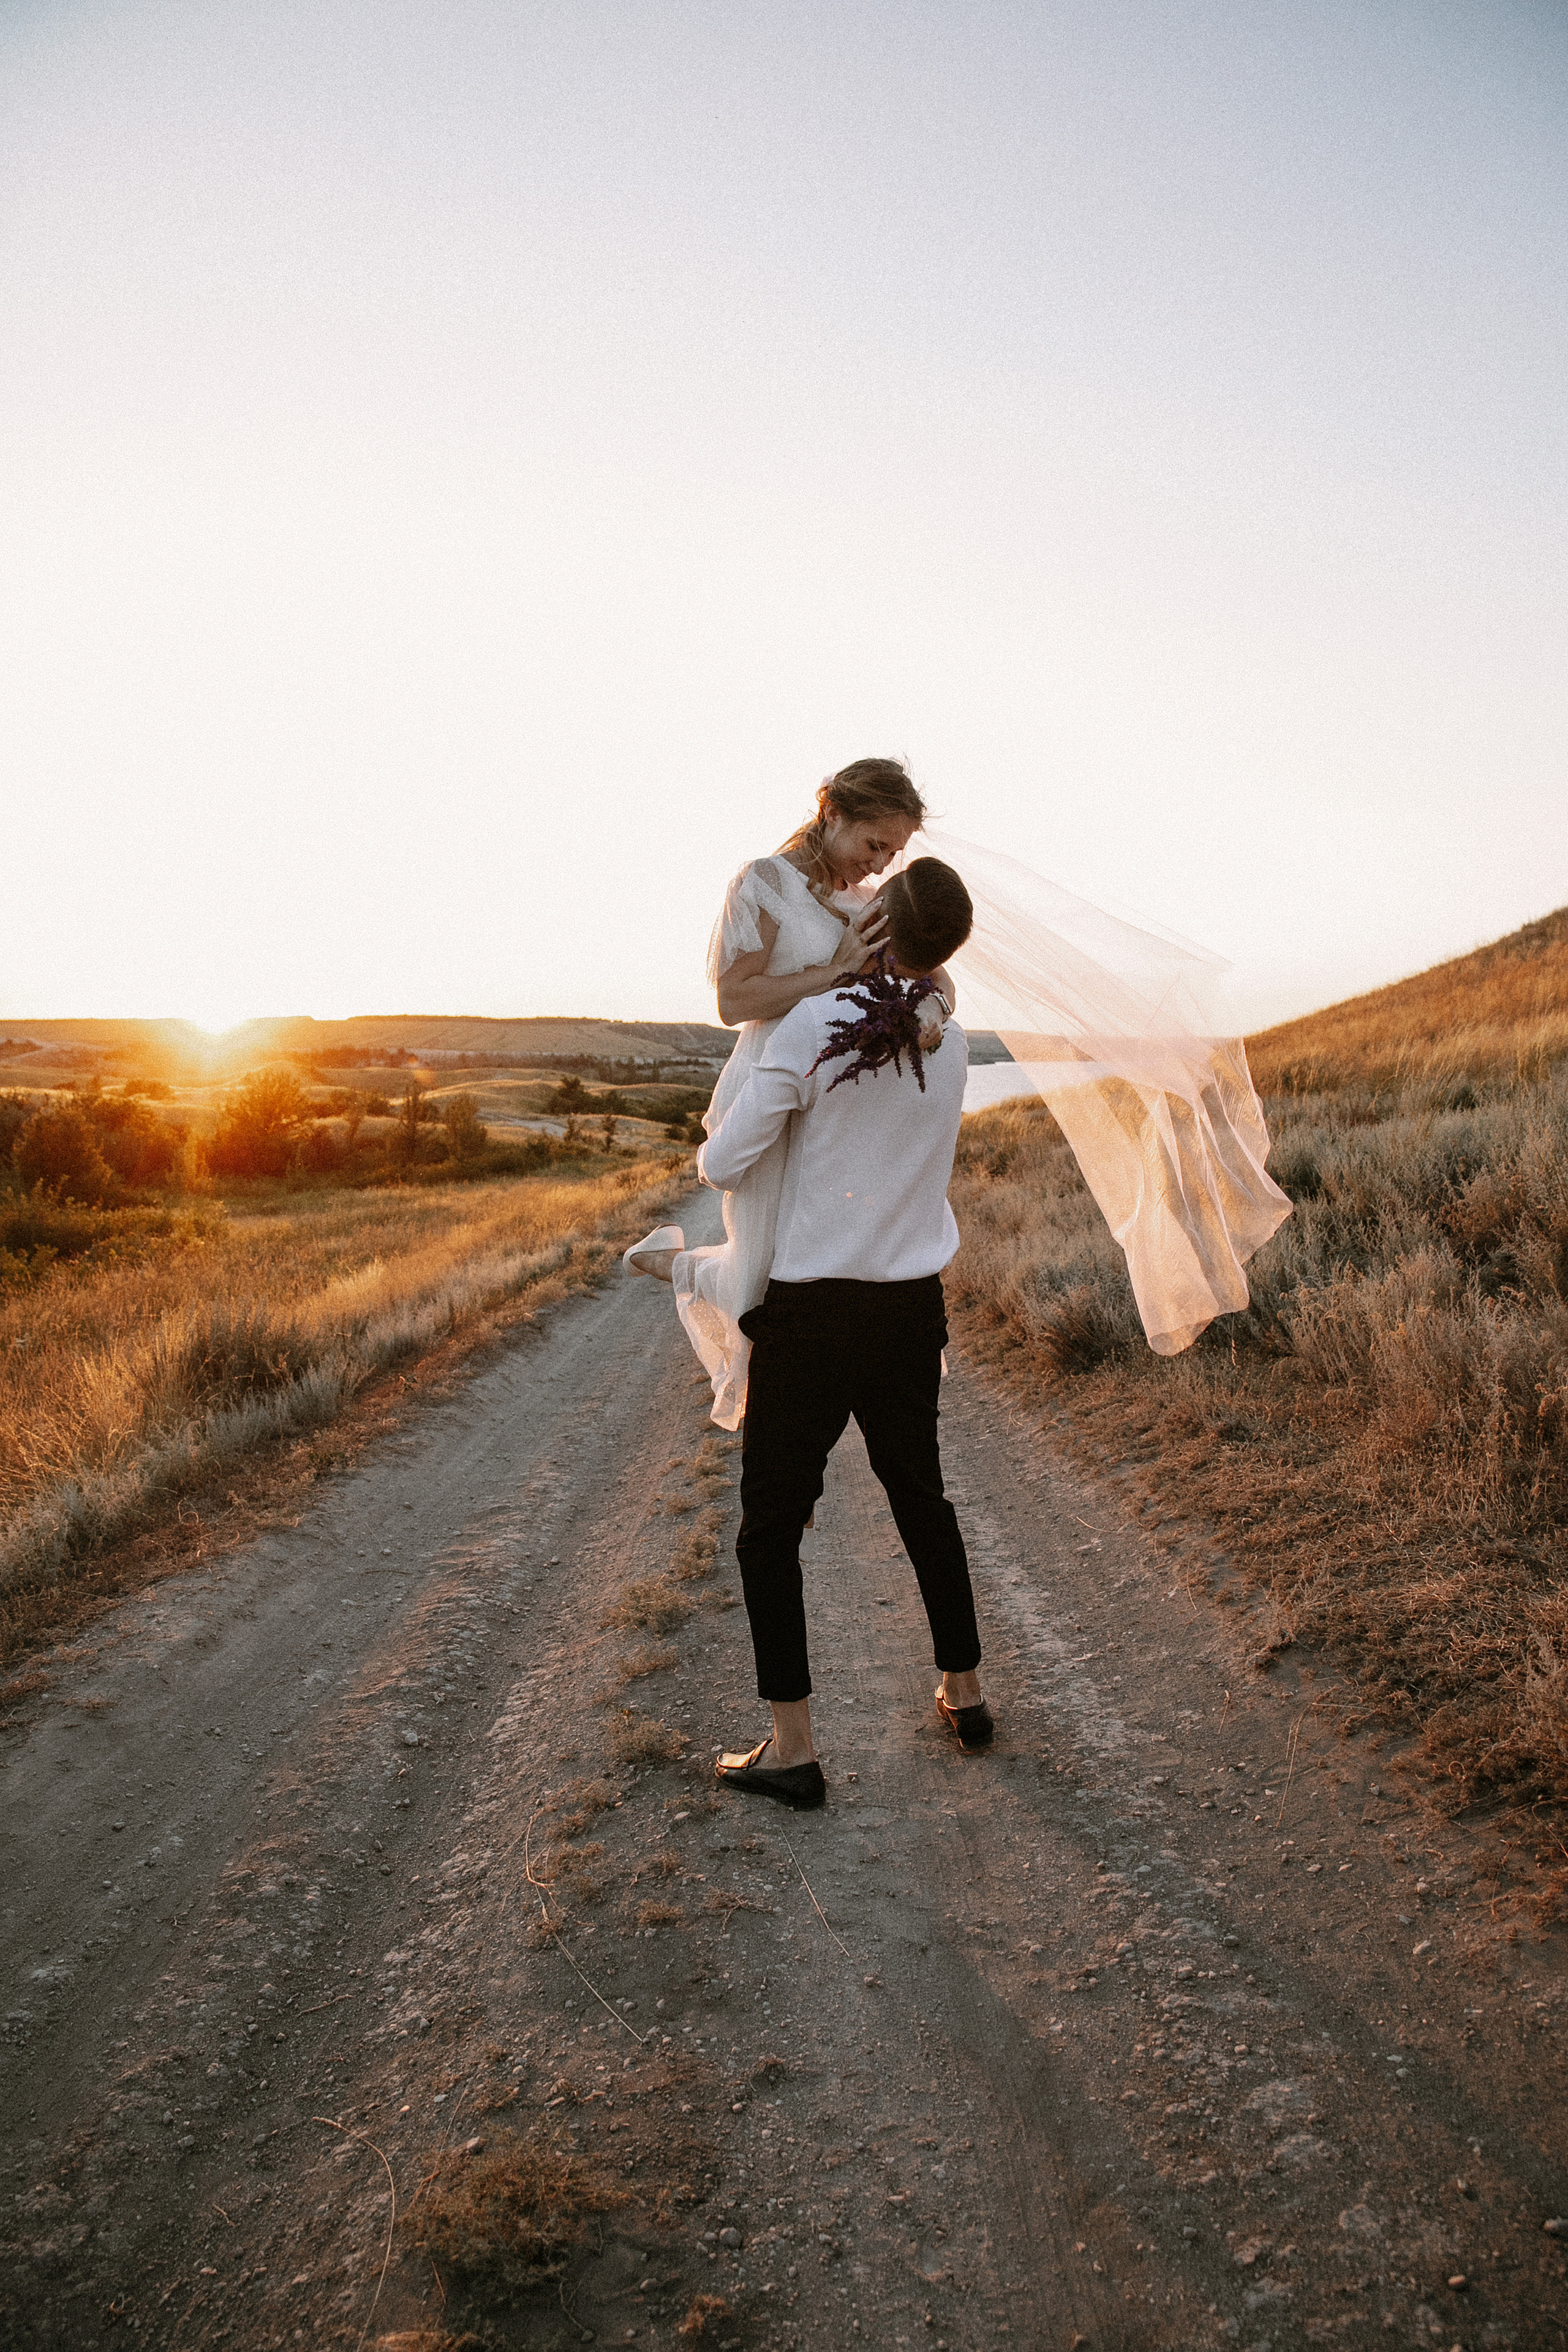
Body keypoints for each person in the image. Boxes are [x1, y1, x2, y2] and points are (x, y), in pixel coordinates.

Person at [693, 857, 989, 1809]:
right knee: (921, 1499)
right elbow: (922, 1012)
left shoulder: (818, 1026)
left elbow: (723, 1164)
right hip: (909, 1310)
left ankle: (793, 1747)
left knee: (769, 1531)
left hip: (815, 1314)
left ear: (874, 928)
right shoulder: (951, 1041)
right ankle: (965, 1693)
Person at [624, 760, 952, 1431]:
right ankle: (768, 1438)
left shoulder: (872, 902)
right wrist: (832, 971)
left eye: (893, 852)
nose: (880, 864)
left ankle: (794, 1444)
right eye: (873, 845)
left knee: (819, 1281)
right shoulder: (764, 884)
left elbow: (937, 979)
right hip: (769, 1096)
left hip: (842, 1109)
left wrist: (931, 1013)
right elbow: (734, 998)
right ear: (832, 812)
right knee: (760, 1279)